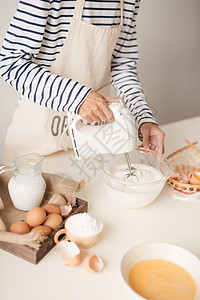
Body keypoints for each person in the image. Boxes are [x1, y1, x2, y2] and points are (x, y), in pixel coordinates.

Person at [0, 0, 165, 163]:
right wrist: (78, 98)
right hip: (36, 150)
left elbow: (122, 66)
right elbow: (10, 62)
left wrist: (143, 118)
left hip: (92, 142)